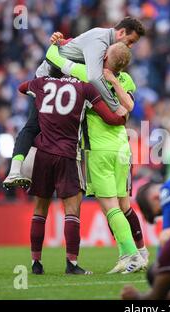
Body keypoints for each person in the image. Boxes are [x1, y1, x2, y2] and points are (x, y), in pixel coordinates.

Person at [18, 43, 133, 275]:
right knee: (72, 210)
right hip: (68, 154)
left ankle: (35, 263)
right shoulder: (85, 88)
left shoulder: (41, 84)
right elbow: (111, 118)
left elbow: (22, 87)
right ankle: (71, 264)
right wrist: (122, 119)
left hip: (43, 153)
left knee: (40, 209)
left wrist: (40, 88)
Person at [3, 16, 145, 188]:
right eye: (130, 41)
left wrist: (60, 42)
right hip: (50, 78)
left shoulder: (107, 45)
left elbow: (73, 47)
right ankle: (16, 170)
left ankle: (50, 177)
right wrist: (115, 106)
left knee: (68, 131)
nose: (130, 47)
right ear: (121, 32)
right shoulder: (100, 40)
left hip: (66, 79)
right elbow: (93, 76)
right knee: (34, 125)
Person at [44, 38, 148, 273]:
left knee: (110, 207)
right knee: (123, 205)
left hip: (99, 151)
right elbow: (129, 106)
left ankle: (132, 255)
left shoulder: (86, 72)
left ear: (105, 57)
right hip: (123, 148)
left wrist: (58, 42)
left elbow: (55, 58)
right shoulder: (127, 79)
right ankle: (132, 254)